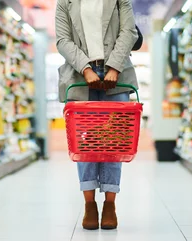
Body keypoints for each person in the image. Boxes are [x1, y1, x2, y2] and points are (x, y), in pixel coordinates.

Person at [55, 0, 138, 230]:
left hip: (117, 75)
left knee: (114, 143)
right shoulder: (65, 2)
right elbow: (63, 40)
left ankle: (110, 204)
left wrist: (113, 67)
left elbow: (128, 31)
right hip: (79, 75)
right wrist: (86, 69)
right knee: (86, 144)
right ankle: (89, 204)